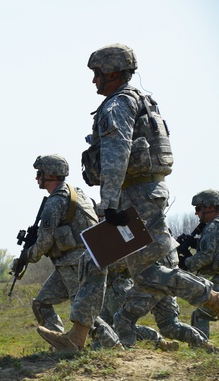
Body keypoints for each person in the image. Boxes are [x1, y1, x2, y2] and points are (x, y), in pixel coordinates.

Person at [81, 44, 219, 321]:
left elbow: (115, 153)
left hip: (134, 196)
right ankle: (82, 331)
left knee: (142, 272)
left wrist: (108, 204)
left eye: (97, 73)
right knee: (104, 263)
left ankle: (212, 298)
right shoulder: (140, 100)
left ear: (114, 72)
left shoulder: (118, 103)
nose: (94, 80)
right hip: (144, 192)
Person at [18, 156, 113, 351]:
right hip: (71, 263)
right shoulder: (78, 193)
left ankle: (113, 347)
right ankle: (60, 344)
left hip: (74, 264)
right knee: (41, 303)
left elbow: (44, 242)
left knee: (85, 314)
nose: (37, 179)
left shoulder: (55, 203)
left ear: (50, 174)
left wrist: (27, 256)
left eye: (39, 174)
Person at [183, 190, 219, 337]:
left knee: (202, 312)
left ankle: (201, 348)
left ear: (210, 207)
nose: (196, 213)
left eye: (198, 208)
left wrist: (186, 263)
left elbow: (206, 256)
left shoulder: (212, 227)